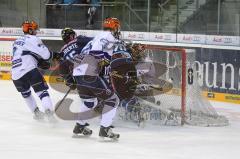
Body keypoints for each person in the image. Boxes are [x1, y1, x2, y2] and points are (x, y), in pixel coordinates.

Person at [64, 17, 121, 139]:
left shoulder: (98, 36)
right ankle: (105, 130)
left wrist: (103, 64)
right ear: (114, 27)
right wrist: (102, 61)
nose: (118, 30)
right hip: (88, 71)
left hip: (78, 72)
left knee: (90, 102)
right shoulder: (109, 36)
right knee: (112, 100)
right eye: (117, 27)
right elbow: (96, 51)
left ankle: (79, 126)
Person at [11, 21, 56, 121]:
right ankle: (49, 113)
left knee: (26, 94)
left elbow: (24, 54)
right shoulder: (33, 38)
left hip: (15, 74)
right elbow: (47, 55)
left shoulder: (16, 41)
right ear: (30, 30)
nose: (36, 32)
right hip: (29, 69)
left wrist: (39, 62)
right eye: (35, 29)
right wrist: (54, 56)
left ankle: (36, 113)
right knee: (42, 92)